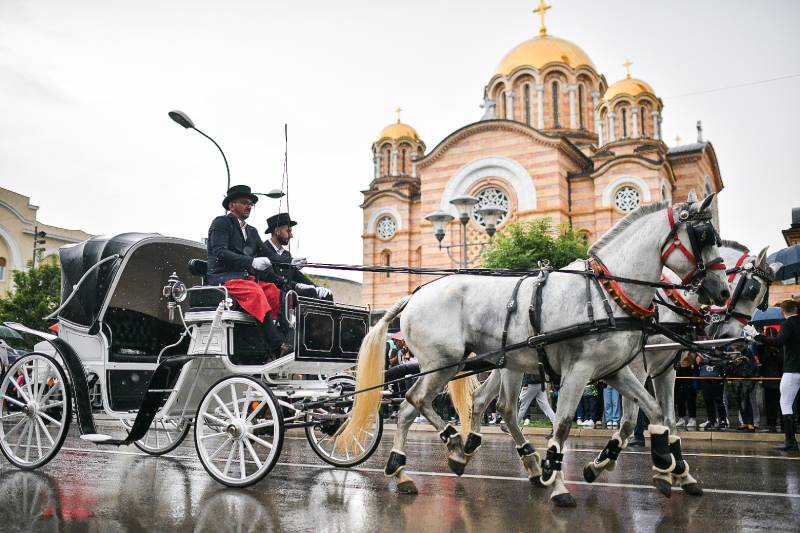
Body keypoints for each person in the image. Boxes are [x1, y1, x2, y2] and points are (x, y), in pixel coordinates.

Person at [207, 185, 289, 357]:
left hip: (244, 280)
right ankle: (275, 346)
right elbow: (220, 252)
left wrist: (290, 262)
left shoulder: (251, 231)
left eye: (251, 203)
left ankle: (276, 339)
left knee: (273, 292)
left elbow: (268, 255)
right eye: (244, 203)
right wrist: (250, 261)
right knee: (256, 291)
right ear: (231, 206)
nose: (249, 206)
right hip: (223, 277)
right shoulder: (221, 223)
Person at [753, 299, 800, 451]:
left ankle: (791, 442)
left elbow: (778, 342)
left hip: (792, 369)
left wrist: (757, 336)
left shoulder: (788, 324)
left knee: (785, 404)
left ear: (782, 311)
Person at [262, 212, 332, 301]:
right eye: (288, 231)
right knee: (310, 292)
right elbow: (272, 278)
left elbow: (298, 275)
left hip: (289, 291)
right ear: (277, 231)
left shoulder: (286, 254)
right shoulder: (264, 250)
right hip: (274, 294)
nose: (291, 235)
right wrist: (297, 285)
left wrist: (316, 287)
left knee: (326, 295)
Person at [755, 327, 783, 432]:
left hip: (780, 379)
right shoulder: (762, 348)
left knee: (782, 403)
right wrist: (769, 352)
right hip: (768, 380)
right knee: (770, 403)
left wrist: (776, 352)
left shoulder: (781, 346)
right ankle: (771, 424)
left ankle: (784, 424)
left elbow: (782, 361)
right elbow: (761, 361)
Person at [696, 354, 728, 431]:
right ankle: (712, 420)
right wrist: (700, 360)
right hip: (705, 378)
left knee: (719, 401)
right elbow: (698, 362)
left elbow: (723, 361)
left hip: (717, 377)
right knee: (708, 401)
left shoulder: (718, 351)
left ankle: (723, 421)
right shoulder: (702, 351)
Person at [674, 352, 698, 429]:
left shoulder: (690, 351)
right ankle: (681, 418)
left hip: (689, 373)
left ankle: (692, 418)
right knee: (679, 398)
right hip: (679, 372)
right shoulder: (679, 350)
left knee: (690, 397)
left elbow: (693, 358)